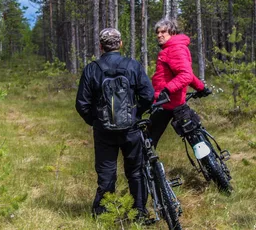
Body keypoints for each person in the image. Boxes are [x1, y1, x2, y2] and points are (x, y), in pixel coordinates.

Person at [75, 28, 154, 217]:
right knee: (136, 172)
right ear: (120, 44)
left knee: (106, 174)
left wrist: (96, 121)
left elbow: (82, 104)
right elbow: (148, 95)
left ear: (101, 46)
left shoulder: (92, 69)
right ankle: (140, 213)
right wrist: (135, 114)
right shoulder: (133, 65)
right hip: (131, 130)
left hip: (104, 132)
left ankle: (103, 214)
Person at [150, 18, 211, 148]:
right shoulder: (176, 47)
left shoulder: (174, 48)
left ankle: (146, 167)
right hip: (176, 103)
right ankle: (213, 164)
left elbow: (185, 75)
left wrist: (166, 90)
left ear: (172, 32)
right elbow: (186, 74)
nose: (159, 35)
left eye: (163, 32)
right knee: (194, 135)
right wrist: (200, 88)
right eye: (157, 32)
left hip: (166, 103)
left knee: (148, 139)